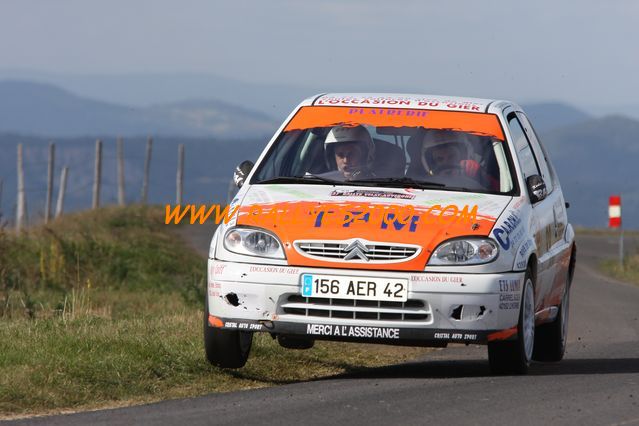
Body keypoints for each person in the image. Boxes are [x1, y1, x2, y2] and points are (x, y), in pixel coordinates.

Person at [419, 129, 499, 189]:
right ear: (431, 163)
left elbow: (502, 193)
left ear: (463, 155)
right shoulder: (421, 184)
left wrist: (481, 175)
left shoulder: (476, 174)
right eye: (440, 159)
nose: (447, 163)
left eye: (452, 156)